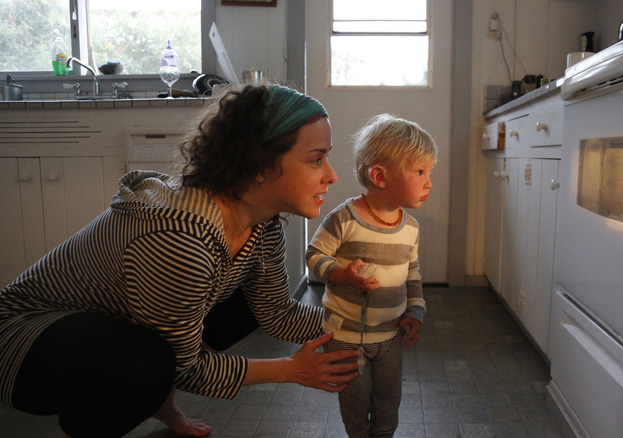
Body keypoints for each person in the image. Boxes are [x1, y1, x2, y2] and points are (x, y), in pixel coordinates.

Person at [0, 83, 359, 438]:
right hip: (23, 341)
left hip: (111, 325)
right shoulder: (180, 238)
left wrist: (370, 321)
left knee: (240, 307)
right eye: (316, 159)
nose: (331, 174)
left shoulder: (262, 224)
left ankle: (161, 405)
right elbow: (185, 367)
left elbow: (277, 313)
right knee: (147, 364)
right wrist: (291, 369)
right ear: (259, 164)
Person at [305, 113, 437, 437]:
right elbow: (313, 255)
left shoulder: (411, 228)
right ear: (379, 176)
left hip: (390, 337)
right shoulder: (344, 220)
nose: (429, 182)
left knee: (388, 403)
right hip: (345, 337)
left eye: (429, 172)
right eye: (419, 171)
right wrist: (340, 274)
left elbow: (413, 273)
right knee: (354, 403)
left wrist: (416, 311)